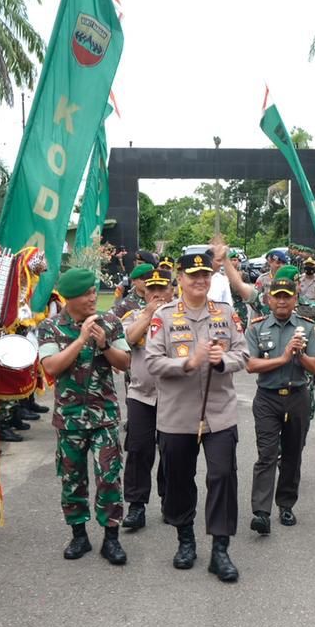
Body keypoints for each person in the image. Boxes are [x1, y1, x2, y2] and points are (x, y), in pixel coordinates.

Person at [144, 250, 249, 583]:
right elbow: (153, 362)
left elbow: (243, 353)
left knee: (222, 476)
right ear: (181, 279)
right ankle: (185, 538)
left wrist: (222, 361)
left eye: (205, 276)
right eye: (194, 277)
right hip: (177, 414)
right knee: (178, 478)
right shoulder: (163, 316)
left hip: (219, 411)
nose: (201, 282)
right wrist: (187, 364)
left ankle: (221, 549)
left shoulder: (226, 314)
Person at [37, 268, 132, 565]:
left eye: (94, 292)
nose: (94, 298)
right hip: (70, 419)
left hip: (103, 416)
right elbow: (51, 368)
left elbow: (125, 363)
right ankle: (79, 536)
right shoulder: (51, 327)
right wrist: (80, 340)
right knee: (72, 479)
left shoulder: (110, 322)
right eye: (88, 294)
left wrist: (103, 344)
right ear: (71, 298)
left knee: (109, 476)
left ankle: (111, 540)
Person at [245, 266, 315, 533]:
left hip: (297, 396)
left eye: (286, 296)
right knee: (266, 455)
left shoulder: (306, 328)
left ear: (294, 299)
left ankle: (286, 505)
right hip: (267, 398)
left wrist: (299, 356)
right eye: (276, 296)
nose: (281, 301)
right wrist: (283, 358)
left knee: (291, 455)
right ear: (268, 299)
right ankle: (261, 513)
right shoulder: (257, 328)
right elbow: (251, 365)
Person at [119, 268, 173, 530]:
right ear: (145, 292)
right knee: (139, 450)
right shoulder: (134, 316)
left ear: (172, 290)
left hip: (174, 396)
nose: (158, 294)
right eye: (153, 290)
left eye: (163, 289)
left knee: (172, 451)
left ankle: (170, 500)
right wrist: (149, 314)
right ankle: (136, 506)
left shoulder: (182, 317)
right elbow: (128, 340)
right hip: (141, 394)